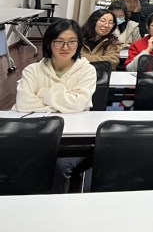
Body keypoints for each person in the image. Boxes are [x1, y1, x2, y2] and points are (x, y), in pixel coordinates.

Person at [13, 20, 97, 193]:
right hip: (36, 135)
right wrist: (64, 103)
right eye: (59, 41)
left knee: (58, 167)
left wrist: (44, 93)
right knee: (17, 161)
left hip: (73, 139)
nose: (65, 47)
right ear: (49, 43)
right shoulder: (32, 70)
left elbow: (77, 103)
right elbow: (23, 103)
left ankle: (57, 206)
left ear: (79, 44)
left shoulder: (87, 71)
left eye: (71, 41)